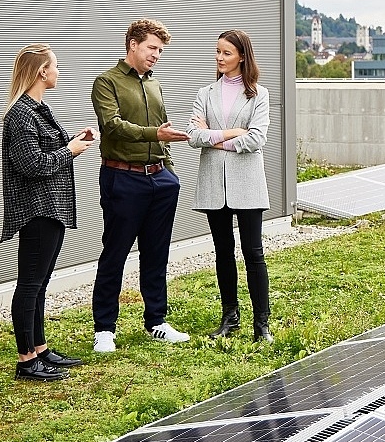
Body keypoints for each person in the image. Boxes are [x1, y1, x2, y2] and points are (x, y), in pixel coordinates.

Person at [89, 19, 191, 352]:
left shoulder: (154, 85)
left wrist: (169, 172)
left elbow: (163, 131)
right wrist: (155, 135)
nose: (156, 55)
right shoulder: (106, 82)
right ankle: (104, 328)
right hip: (123, 178)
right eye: (152, 48)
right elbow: (112, 126)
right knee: (115, 252)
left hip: (160, 179)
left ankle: (156, 322)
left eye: (160, 50)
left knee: (156, 253)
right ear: (133, 44)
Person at [1, 44, 96, 381]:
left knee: (41, 283)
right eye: (55, 66)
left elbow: (47, 150)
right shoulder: (21, 114)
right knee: (29, 284)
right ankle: (26, 361)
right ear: (42, 71)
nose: (59, 72)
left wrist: (74, 141)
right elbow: (31, 164)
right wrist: (69, 150)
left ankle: (40, 349)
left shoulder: (38, 109)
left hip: (51, 207)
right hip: (36, 209)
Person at [186, 30, 274, 342]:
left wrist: (216, 138)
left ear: (241, 56)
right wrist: (232, 132)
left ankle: (261, 324)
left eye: (226, 53)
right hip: (213, 183)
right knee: (223, 252)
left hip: (247, 184)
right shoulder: (205, 93)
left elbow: (256, 138)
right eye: (218, 52)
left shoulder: (258, 95)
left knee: (253, 253)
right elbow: (193, 136)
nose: (219, 58)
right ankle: (230, 316)